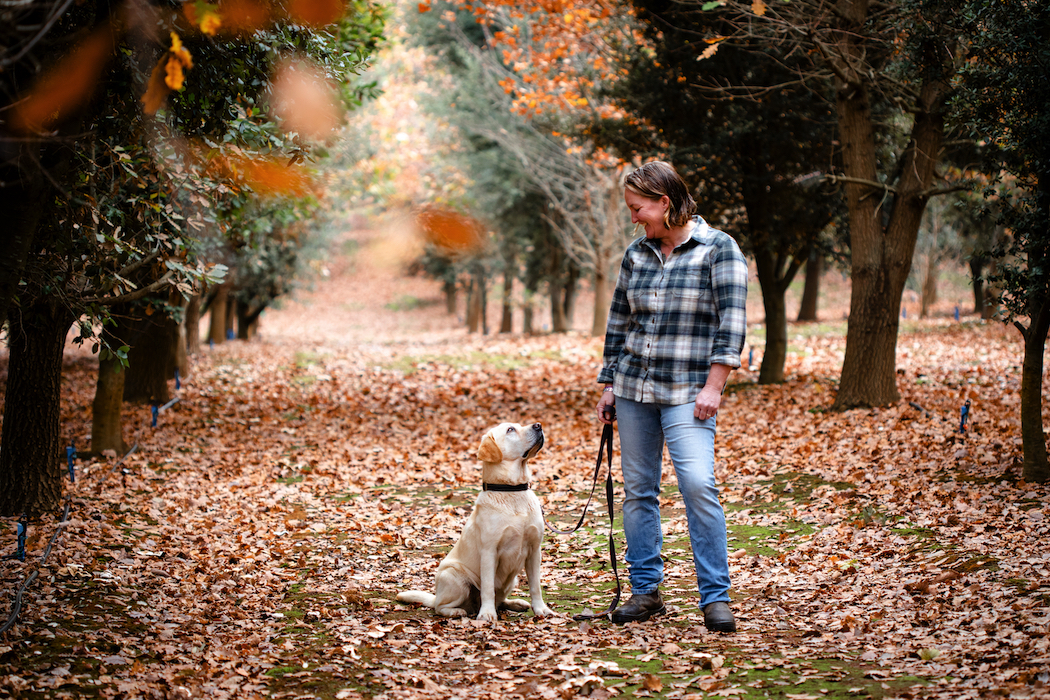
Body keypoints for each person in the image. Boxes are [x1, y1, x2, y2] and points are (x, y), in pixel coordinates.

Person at [596, 161, 747, 632]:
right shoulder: (636, 254)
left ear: (665, 202)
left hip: (689, 392)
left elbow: (732, 324)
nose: (634, 217)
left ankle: (715, 597)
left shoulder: (718, 249)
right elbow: (619, 321)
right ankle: (645, 592)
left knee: (699, 485)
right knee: (639, 491)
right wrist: (608, 384)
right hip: (634, 388)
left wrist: (714, 386)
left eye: (639, 208)